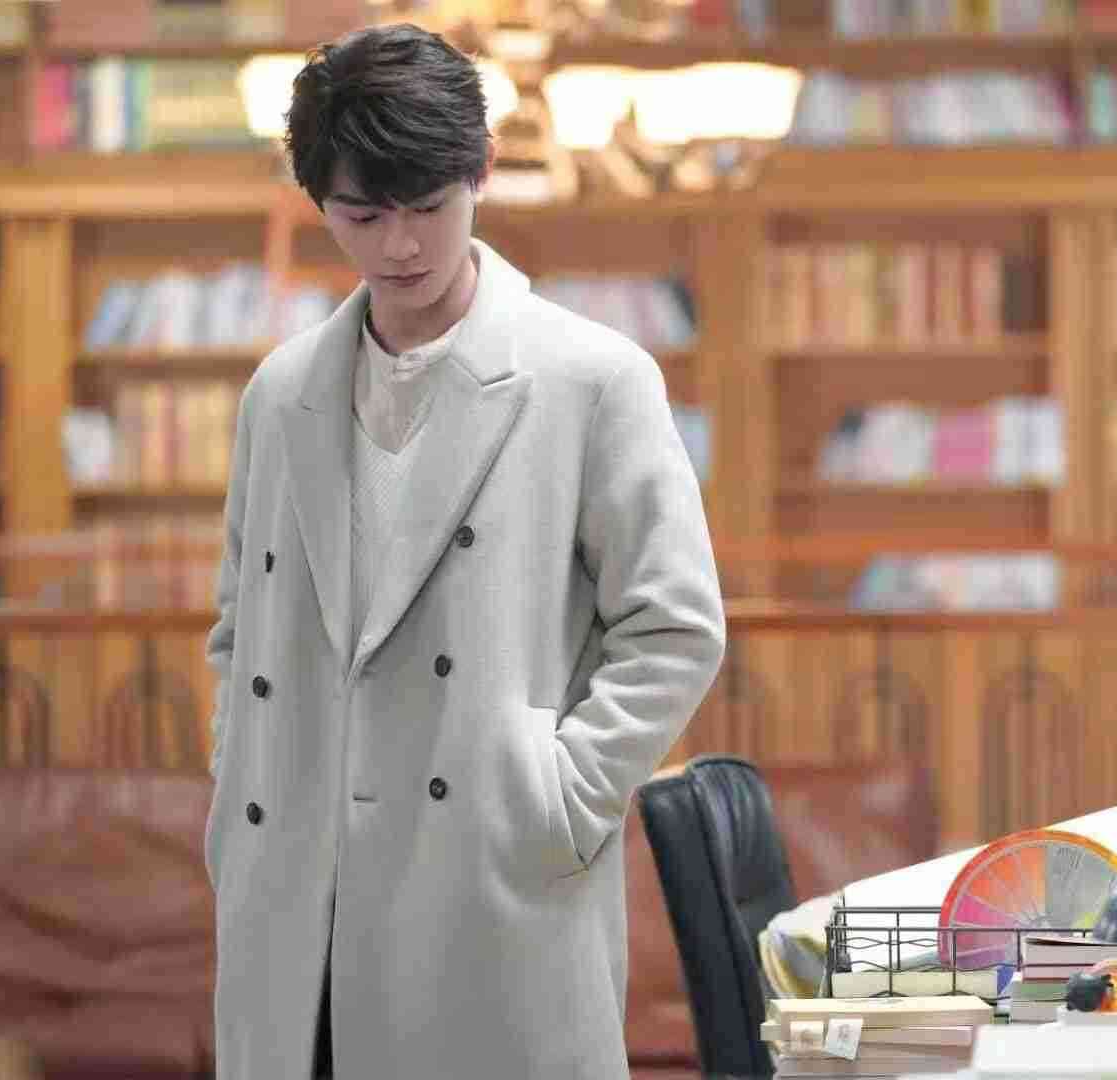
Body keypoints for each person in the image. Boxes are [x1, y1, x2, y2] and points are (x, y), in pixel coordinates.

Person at [200, 23, 726, 1080]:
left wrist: (556, 799)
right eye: (363, 215)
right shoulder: (280, 393)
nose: (400, 245)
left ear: (481, 169)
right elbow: (237, 629)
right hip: (292, 894)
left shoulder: (593, 379)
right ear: (319, 201)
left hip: (487, 887)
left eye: (429, 207)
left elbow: (674, 627)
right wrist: (240, 779)